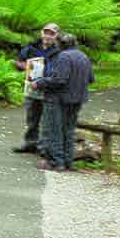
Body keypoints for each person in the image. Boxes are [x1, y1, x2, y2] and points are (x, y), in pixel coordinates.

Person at [36, 31, 94, 172]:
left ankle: (57, 162)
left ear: (60, 44)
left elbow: (59, 80)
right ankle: (68, 162)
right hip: (77, 99)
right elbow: (91, 79)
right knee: (68, 130)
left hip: (58, 99)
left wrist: (40, 83)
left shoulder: (63, 56)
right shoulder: (83, 56)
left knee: (54, 130)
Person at [13, 23, 60, 153]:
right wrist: (27, 67)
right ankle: (30, 143)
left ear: (57, 36)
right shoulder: (31, 47)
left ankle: (44, 147)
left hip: (49, 88)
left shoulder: (60, 51)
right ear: (41, 33)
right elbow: (18, 62)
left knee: (47, 119)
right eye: (46, 32)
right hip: (32, 87)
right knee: (32, 117)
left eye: (52, 34)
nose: (48, 36)